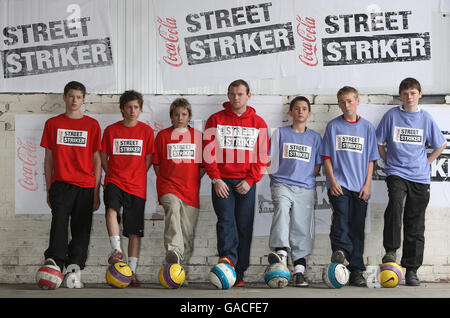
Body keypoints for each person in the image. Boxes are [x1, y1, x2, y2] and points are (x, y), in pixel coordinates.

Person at [376, 77, 447, 286]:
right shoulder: (391, 116)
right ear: (401, 95)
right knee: (395, 206)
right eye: (405, 93)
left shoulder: (426, 118)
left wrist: (427, 162)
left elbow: (440, 145)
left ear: (420, 94)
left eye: (413, 93)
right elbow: (379, 142)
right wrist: (387, 159)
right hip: (397, 173)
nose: (409, 97)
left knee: (415, 223)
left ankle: (412, 269)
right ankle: (390, 251)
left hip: (419, 176)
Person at [203, 79, 269, 287]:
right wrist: (215, 179)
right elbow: (208, 152)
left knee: (244, 226)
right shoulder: (215, 119)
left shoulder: (259, 123)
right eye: (232, 94)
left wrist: (250, 180)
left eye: (240, 94)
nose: (235, 98)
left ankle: (239, 273)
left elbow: (262, 156)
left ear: (248, 96)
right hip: (222, 181)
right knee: (225, 221)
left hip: (246, 184)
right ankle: (227, 263)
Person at [40, 81, 102, 288]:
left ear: (84, 99)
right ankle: (55, 264)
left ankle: (74, 269)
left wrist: (95, 191)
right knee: (58, 223)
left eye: (79, 97)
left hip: (85, 185)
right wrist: (49, 187)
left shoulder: (92, 125)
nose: (75, 101)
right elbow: (48, 159)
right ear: (64, 97)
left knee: (81, 230)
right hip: (61, 184)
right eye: (71, 96)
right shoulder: (52, 124)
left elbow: (97, 160)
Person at [320, 86, 379, 287]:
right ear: (338, 104)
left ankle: (356, 270)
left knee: (357, 228)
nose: (346, 105)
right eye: (342, 102)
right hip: (340, 185)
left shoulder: (368, 128)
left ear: (357, 101)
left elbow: (371, 159)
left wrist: (367, 185)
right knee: (340, 221)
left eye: (350, 101)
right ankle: (340, 257)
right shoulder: (333, 126)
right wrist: (333, 181)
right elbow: (326, 157)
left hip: (361, 187)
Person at [100, 90, 154, 287]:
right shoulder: (111, 130)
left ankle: (131, 272)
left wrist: (137, 173)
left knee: (134, 231)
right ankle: (116, 250)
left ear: (140, 110)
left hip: (137, 186)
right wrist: (111, 173)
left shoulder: (146, 131)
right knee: (111, 210)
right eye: (129, 107)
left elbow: (148, 159)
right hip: (114, 180)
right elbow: (103, 156)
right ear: (122, 109)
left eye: (136, 107)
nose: (132, 110)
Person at [267, 96, 322, 287]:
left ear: (309, 113)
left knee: (301, 226)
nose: (300, 111)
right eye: (296, 108)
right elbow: (270, 160)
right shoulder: (280, 133)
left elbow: (316, 167)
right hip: (282, 183)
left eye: (304, 108)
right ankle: (280, 254)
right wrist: (276, 177)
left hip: (305, 187)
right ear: (290, 112)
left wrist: (303, 176)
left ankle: (299, 269)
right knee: (281, 210)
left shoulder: (315, 138)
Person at [152, 98, 205, 279]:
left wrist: (190, 179)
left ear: (189, 116)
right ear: (171, 117)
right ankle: (173, 251)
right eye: (176, 114)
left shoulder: (198, 137)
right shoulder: (162, 136)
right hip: (168, 187)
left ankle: (180, 274)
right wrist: (170, 179)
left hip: (190, 191)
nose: (180, 117)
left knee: (187, 235)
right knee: (172, 208)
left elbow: (203, 166)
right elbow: (157, 164)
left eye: (184, 114)